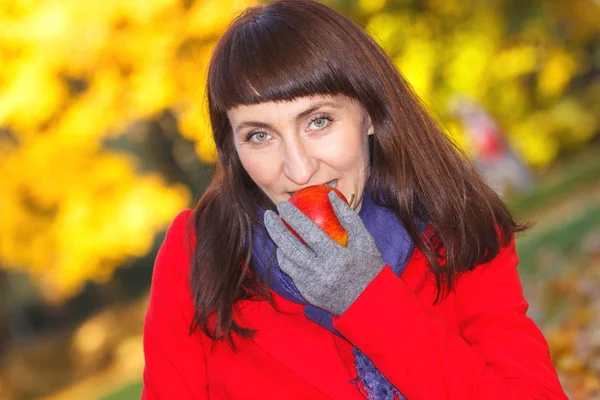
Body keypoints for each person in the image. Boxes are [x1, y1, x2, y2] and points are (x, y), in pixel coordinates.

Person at [141, 1, 567, 399]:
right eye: (259, 135)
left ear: (369, 114)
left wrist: (367, 297)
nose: (299, 169)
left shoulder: (456, 227)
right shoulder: (199, 252)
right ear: (233, 149)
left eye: (319, 121)